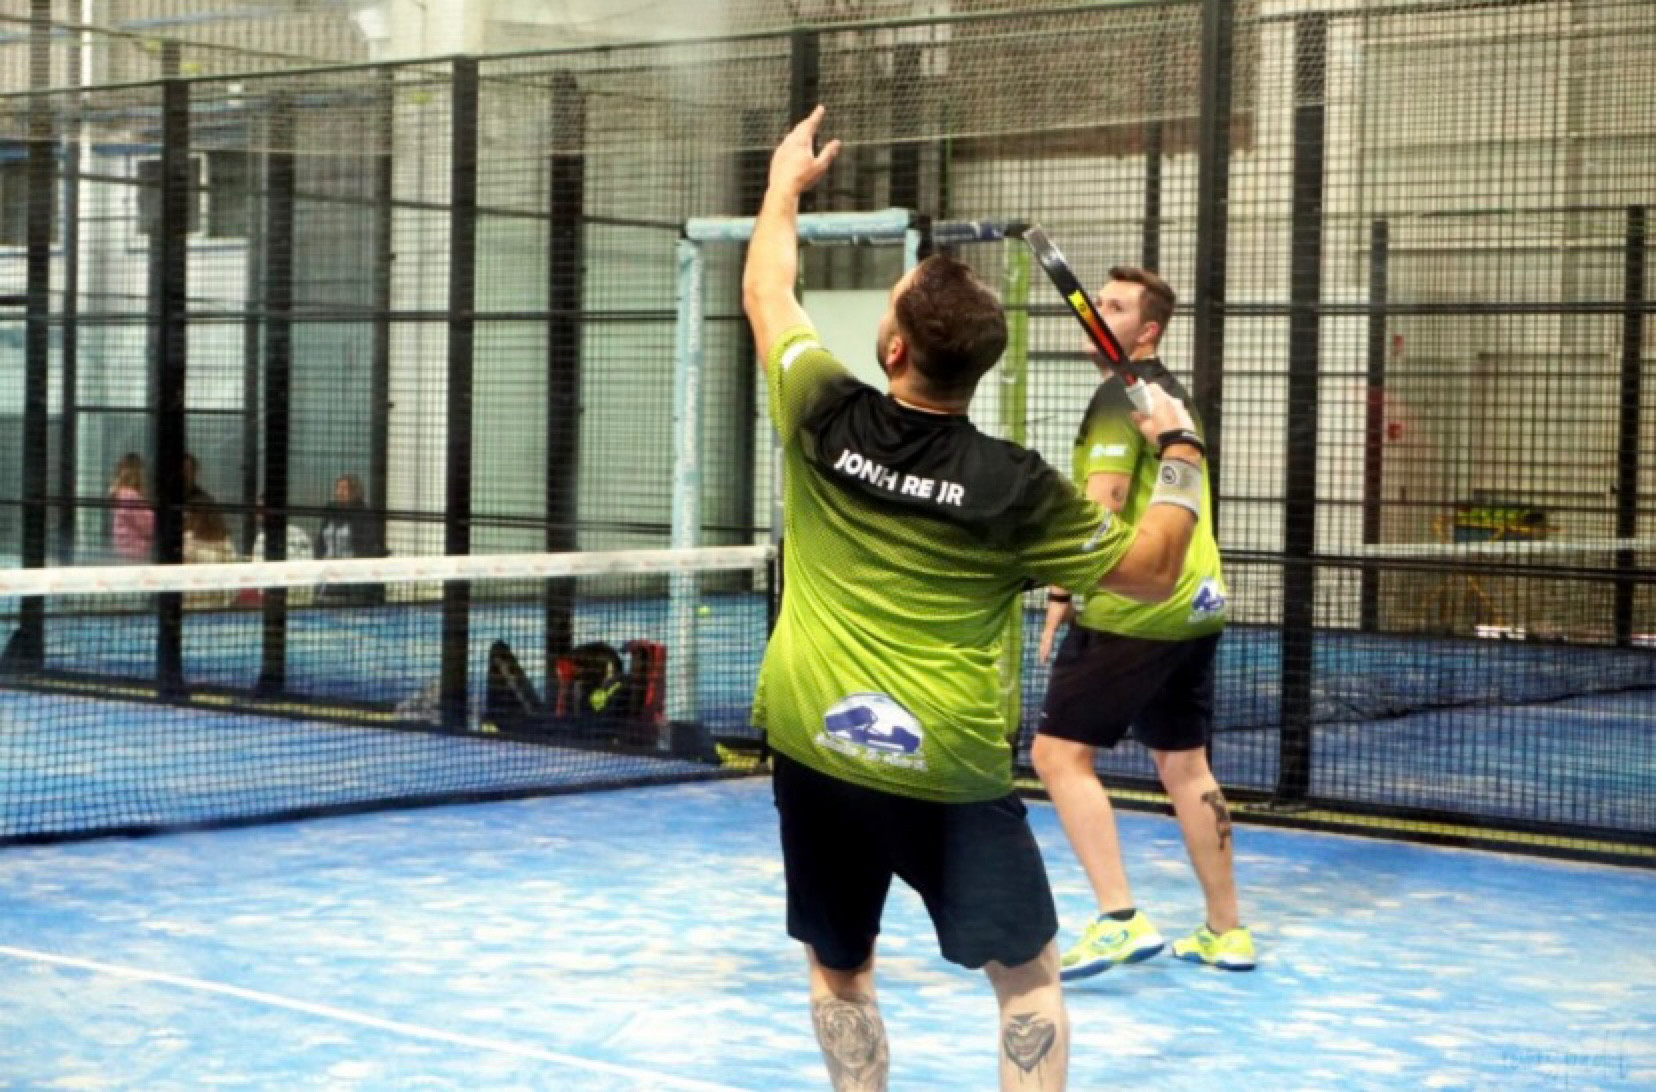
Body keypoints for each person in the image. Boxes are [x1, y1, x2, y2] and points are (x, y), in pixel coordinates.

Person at [745, 106, 1209, 1092]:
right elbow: (1155, 567)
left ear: (894, 351)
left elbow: (767, 289)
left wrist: (784, 186)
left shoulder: (820, 408)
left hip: (814, 749)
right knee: (1029, 982)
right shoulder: (1016, 488)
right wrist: (1181, 447)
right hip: (948, 770)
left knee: (841, 970)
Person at [1032, 266, 1253, 979]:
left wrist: (1062, 590)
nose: (1097, 312)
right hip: (1197, 604)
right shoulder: (1170, 395)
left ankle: (1119, 919)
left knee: (1058, 756)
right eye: (1097, 301)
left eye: (1117, 306)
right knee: (1185, 765)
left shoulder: (1115, 399)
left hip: (1134, 608)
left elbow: (1102, 505)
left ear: (1148, 330)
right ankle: (1226, 931)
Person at [316, 474, 385, 604]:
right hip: (327, 571)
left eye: (344, 489)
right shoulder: (330, 511)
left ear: (354, 492)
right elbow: (320, 541)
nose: (339, 492)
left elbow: (367, 544)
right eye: (338, 488)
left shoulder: (363, 514)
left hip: (352, 574)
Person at [107, 452, 153, 562]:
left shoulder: (120, 494)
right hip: (135, 550)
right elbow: (146, 524)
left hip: (124, 549)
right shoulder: (129, 495)